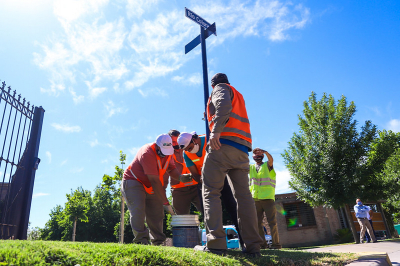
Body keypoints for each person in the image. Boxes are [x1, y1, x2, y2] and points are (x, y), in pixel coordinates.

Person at [195, 73, 264, 257]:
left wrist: (214, 132)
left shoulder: (220, 89)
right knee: (244, 197)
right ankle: (253, 247)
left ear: (213, 84)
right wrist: (209, 115)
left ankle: (216, 244)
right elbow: (227, 110)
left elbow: (224, 107)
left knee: (210, 191)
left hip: (221, 145)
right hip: (241, 150)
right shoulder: (237, 93)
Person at [178, 131, 245, 249]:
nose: (189, 151)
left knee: (232, 206)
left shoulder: (210, 140)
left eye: (190, 147)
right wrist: (205, 180)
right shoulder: (186, 154)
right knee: (207, 212)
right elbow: (195, 174)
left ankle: (243, 241)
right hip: (203, 183)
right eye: (187, 149)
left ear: (195, 139)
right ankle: (215, 243)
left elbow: (224, 160)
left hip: (222, 177)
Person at [121, 134, 187, 245]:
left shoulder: (169, 153)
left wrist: (180, 177)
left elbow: (171, 169)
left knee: (157, 213)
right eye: (162, 151)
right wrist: (165, 202)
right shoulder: (147, 153)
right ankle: (141, 241)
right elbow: (155, 181)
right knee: (138, 211)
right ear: (157, 146)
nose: (164, 154)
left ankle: (158, 242)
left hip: (151, 185)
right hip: (133, 181)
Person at [250, 148, 282, 249]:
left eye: (259, 152)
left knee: (272, 222)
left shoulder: (267, 165)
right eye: (255, 153)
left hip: (268, 198)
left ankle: (276, 244)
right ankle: (262, 244)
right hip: (256, 199)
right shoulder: (251, 167)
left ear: (263, 154)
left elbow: (271, 160)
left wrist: (266, 152)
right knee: (257, 223)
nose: (257, 154)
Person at [168, 129, 202, 215]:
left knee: (208, 211)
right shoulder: (167, 153)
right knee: (182, 219)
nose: (176, 144)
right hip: (179, 190)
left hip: (196, 186)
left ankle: (214, 228)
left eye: (177, 141)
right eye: (173, 142)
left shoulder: (190, 148)